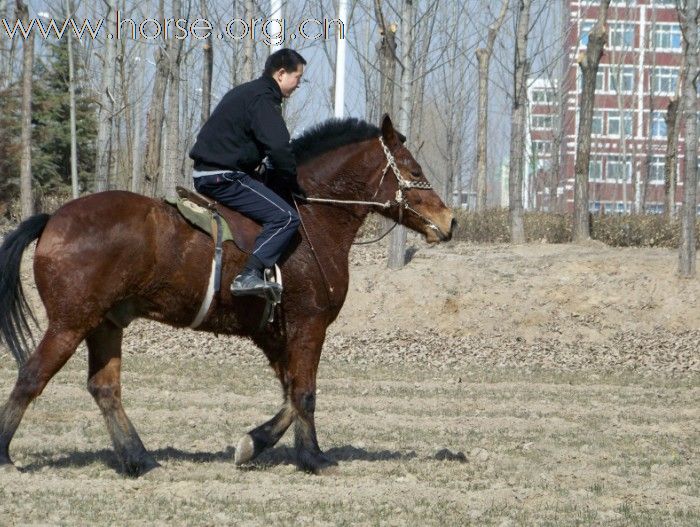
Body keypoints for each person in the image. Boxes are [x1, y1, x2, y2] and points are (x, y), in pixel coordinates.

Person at [189, 48, 307, 299]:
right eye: (298, 77)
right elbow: (279, 147)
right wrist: (291, 181)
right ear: (281, 73)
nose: (299, 85)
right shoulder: (263, 99)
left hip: (213, 170)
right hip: (223, 176)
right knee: (286, 217)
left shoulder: (249, 92)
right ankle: (248, 275)